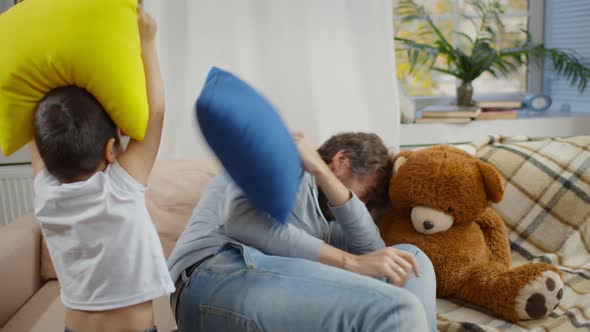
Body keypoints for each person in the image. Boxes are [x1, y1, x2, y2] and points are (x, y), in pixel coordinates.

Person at [168, 132, 437, 331]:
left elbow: (375, 254)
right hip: (213, 274)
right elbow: (242, 223)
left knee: (412, 258)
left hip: (267, 289)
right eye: (369, 194)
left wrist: (338, 193)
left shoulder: (332, 222)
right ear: (341, 160)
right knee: (399, 309)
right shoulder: (284, 155)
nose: (364, 207)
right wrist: (350, 262)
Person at [29, 8, 174, 332]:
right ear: (111, 150)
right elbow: (157, 112)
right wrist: (147, 44)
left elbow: (33, 132)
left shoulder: (46, 195)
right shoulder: (119, 189)